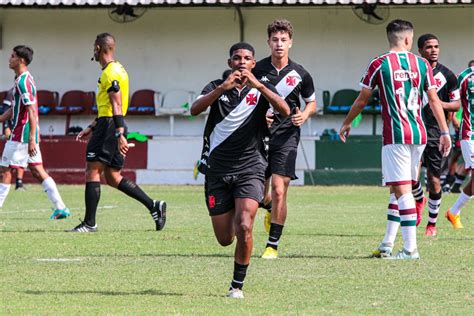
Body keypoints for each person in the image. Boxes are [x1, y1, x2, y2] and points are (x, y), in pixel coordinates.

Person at [339, 20, 451, 259]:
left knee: (402, 191)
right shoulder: (422, 64)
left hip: (396, 135)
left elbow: (362, 100)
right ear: (409, 39)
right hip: (419, 134)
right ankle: (387, 244)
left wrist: (347, 122)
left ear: (390, 38)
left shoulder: (379, 64)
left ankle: (410, 249)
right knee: (398, 189)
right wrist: (444, 131)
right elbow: (433, 100)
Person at [191, 42, 289, 298]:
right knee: (225, 238)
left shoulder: (261, 90)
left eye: (247, 58)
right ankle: (257, 202)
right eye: (237, 58)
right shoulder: (215, 87)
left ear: (253, 64)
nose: (242, 62)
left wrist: (259, 86)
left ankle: (237, 286)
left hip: (251, 168)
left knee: (245, 226)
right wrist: (223, 87)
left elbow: (285, 110)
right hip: (218, 171)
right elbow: (194, 109)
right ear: (230, 63)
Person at [69, 33, 166, 233]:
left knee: (92, 171)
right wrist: (92, 125)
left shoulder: (110, 73)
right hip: (108, 124)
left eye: (93, 48)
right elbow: (108, 106)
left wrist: (119, 133)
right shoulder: (118, 69)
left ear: (98, 48)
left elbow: (117, 104)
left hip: (110, 127)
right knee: (113, 176)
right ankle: (153, 205)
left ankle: (89, 223)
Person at [252, 19, 316, 259]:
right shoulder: (256, 70)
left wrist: (305, 116)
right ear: (268, 42)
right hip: (257, 136)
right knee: (259, 195)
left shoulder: (301, 74)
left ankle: (272, 245)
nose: (279, 44)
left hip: (287, 135)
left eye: (283, 40)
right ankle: (267, 207)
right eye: (275, 40)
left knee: (280, 190)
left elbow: (311, 103)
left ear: (291, 42)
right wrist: (258, 117)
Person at [0, 45, 69, 219]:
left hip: (21, 135)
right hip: (27, 134)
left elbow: (31, 110)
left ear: (21, 60)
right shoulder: (21, 79)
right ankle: (61, 208)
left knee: (5, 171)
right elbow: (15, 109)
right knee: (38, 171)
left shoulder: (24, 82)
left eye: (13, 56)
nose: (10, 58)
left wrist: (30, 139)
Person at [412, 34, 460, 237]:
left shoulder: (447, 75)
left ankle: (431, 224)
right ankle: (419, 199)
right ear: (420, 50)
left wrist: (438, 104)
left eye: (436, 46)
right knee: (410, 177)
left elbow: (457, 104)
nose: (434, 50)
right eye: (429, 47)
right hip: (412, 129)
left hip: (434, 132)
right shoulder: (412, 72)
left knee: (433, 179)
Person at [445, 63, 474, 229]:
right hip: (471, 133)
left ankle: (453, 212)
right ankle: (454, 211)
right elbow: (453, 100)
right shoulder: (464, 77)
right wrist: (453, 118)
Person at [1, 89, 26, 191]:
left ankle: (19, 182)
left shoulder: (26, 90)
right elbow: (6, 110)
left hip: (23, 130)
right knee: (6, 165)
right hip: (13, 129)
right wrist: (6, 127)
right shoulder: (12, 92)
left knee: (23, 158)